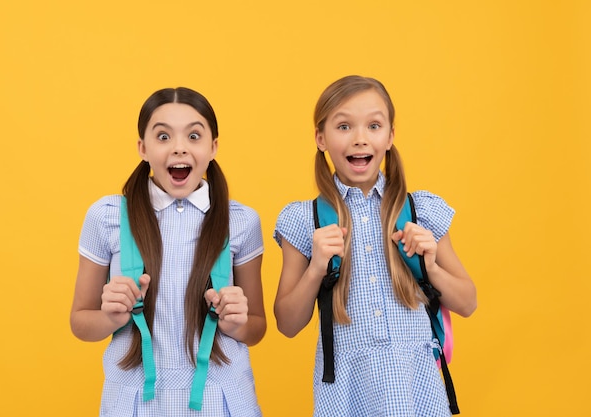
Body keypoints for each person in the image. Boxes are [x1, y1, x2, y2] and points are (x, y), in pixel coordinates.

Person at [273, 75, 477, 416]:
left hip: (416, 384)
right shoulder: (304, 220)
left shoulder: (419, 211)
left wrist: (431, 265)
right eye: (343, 127)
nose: (359, 139)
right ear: (320, 138)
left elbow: (468, 302)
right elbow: (287, 324)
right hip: (346, 387)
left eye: (373, 125)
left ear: (390, 136)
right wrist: (316, 268)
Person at [70, 87, 266, 416]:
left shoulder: (241, 222)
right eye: (163, 136)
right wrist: (109, 317)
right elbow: (80, 321)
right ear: (142, 148)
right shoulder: (107, 218)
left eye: (193, 135)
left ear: (213, 147)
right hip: (133, 401)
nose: (179, 148)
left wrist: (236, 323)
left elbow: (257, 326)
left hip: (224, 399)